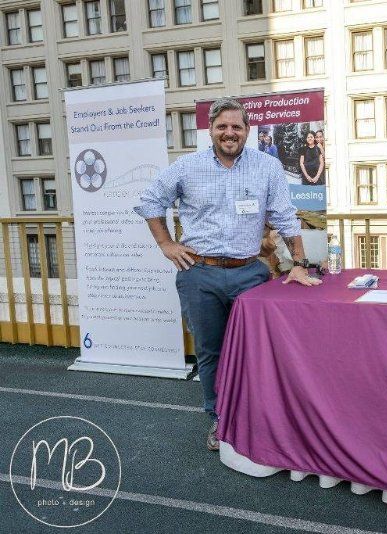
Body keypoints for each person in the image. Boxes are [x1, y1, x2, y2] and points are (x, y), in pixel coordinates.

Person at [134, 98, 321, 451]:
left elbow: (285, 217)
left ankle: (255, 415)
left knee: (256, 350)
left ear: (248, 131)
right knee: (211, 352)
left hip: (249, 274)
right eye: (222, 126)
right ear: (210, 130)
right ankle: (219, 417)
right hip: (198, 274)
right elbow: (149, 201)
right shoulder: (187, 166)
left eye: (236, 126)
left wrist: (298, 262)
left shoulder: (267, 167)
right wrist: (166, 244)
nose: (229, 133)